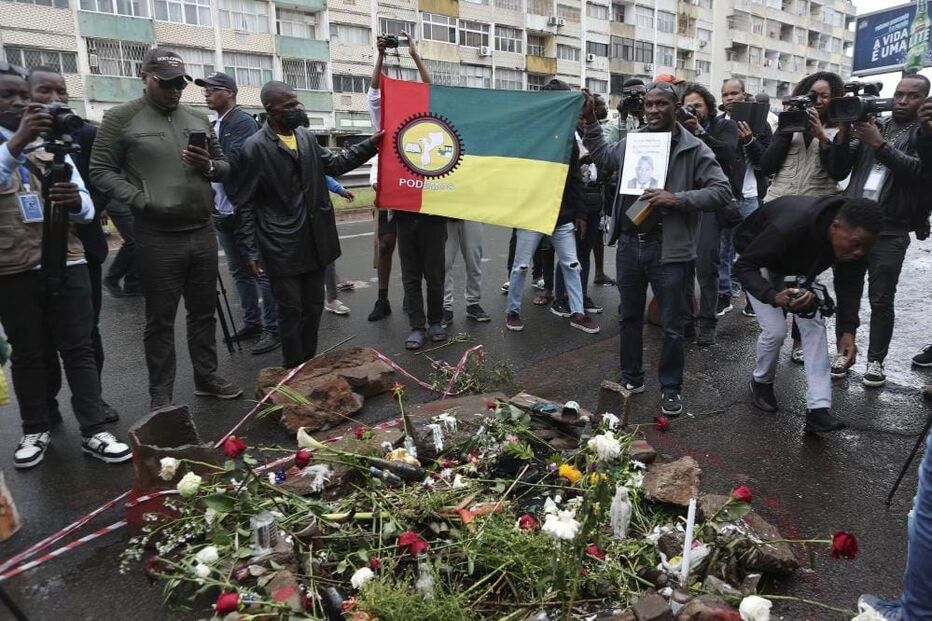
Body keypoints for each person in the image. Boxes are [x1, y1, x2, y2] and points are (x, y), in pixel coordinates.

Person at [90, 48, 242, 410]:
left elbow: (225, 167)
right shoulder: (120, 118)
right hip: (156, 235)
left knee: (203, 311)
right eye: (166, 83)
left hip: (202, 229)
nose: (175, 90)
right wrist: (139, 200)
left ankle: (207, 377)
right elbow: (99, 170)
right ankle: (161, 394)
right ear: (145, 77)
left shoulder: (196, 117)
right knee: (160, 320)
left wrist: (209, 166)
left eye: (180, 83)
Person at [0, 63, 132, 468]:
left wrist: (75, 203)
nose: (19, 103)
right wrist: (17, 143)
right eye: (8, 96)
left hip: (68, 260)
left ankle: (94, 430)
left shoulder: (54, 143)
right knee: (28, 353)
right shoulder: (18, 143)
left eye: (23, 95)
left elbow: (88, 208)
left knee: (80, 349)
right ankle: (35, 429)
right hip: (13, 269)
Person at [581, 81, 733, 415]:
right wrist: (591, 120)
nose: (653, 111)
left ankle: (671, 388)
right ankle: (632, 377)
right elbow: (604, 158)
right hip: (631, 244)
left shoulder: (694, 148)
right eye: (649, 105)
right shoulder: (634, 141)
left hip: (671, 248)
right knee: (629, 317)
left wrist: (677, 199)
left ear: (677, 107)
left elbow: (722, 192)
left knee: (674, 324)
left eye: (661, 104)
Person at [235, 81, 379, 368]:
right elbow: (245, 204)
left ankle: (309, 363)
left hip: (315, 240)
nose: (296, 108)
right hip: (280, 245)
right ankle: (293, 368)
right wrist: (250, 251)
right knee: (291, 310)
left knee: (313, 308)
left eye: (296, 102)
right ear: (270, 110)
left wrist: (372, 144)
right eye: (289, 105)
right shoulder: (254, 148)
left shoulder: (305, 137)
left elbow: (337, 164)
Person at [734, 195, 882, 433]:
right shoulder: (790, 226)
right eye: (856, 244)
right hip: (757, 262)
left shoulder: (852, 242)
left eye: (866, 247)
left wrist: (847, 331)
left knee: (814, 328)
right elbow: (744, 266)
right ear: (836, 227)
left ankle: (818, 408)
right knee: (776, 331)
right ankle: (761, 382)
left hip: (798, 271)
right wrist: (773, 295)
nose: (859, 252)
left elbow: (849, 287)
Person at [822, 74, 932, 388]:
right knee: (847, 291)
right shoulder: (875, 124)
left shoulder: (922, 134)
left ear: (923, 100)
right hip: (854, 223)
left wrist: (879, 145)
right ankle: (845, 350)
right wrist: (845, 127)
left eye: (912, 96)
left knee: (881, 299)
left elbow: (920, 173)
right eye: (899, 94)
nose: (902, 101)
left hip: (890, 229)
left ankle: (876, 360)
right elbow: (840, 167)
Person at [27, 66, 121, 422]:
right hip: (28, 255)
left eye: (61, 91)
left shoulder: (86, 134)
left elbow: (105, 179)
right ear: (27, 96)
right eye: (44, 92)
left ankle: (92, 402)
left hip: (81, 249)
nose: (55, 99)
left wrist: (85, 207)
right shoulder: (15, 140)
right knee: (38, 338)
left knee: (85, 332)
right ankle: (45, 409)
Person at [759, 71, 847, 364]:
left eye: (824, 96)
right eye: (813, 95)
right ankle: (774, 332)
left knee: (803, 278)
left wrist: (823, 137)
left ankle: (799, 340)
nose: (818, 101)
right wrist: (786, 129)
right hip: (779, 209)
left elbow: (839, 171)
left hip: (815, 215)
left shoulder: (839, 130)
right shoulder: (789, 125)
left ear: (834, 99)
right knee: (774, 273)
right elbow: (767, 164)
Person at [505, 79, 600, 336]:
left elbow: (574, 178)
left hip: (561, 214)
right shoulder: (528, 135)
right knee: (521, 266)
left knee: (572, 264)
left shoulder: (567, 139)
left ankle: (578, 313)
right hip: (531, 213)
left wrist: (580, 213)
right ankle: (512, 311)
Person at [197, 71, 280, 356]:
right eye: (204, 89)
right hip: (222, 210)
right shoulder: (215, 124)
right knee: (239, 272)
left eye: (212, 89)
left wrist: (204, 162)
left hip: (243, 210)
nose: (205, 93)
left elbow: (234, 164)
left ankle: (273, 328)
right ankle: (252, 322)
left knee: (260, 271)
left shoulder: (242, 123)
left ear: (230, 93)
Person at [367, 32, 431, 323]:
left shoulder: (420, 113)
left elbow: (431, 89)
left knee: (412, 244)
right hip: (387, 184)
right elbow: (373, 90)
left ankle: (410, 296)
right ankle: (382, 299)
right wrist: (380, 55)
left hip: (414, 185)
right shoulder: (381, 111)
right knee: (385, 244)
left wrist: (415, 55)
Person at [680, 83, 738, 346]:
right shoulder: (677, 130)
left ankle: (708, 322)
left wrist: (700, 132)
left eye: (698, 105)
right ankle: (685, 320)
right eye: (688, 106)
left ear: (709, 106)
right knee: (681, 267)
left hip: (709, 205)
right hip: (682, 204)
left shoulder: (724, 126)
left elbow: (726, 155)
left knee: (706, 266)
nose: (693, 110)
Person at [552, 94, 611, 318]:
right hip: (576, 201)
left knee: (584, 252)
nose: (586, 118)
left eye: (591, 113)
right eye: (584, 113)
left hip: (595, 199)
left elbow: (605, 162)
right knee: (570, 254)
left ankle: (580, 294)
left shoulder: (596, 136)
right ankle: (561, 298)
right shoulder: (566, 136)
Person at [719, 78, 773, 317]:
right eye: (725, 94)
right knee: (722, 251)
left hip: (750, 197)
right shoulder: (719, 125)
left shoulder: (761, 124)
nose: (730, 98)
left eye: (734, 93)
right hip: (723, 197)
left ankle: (754, 299)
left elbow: (766, 163)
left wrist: (749, 140)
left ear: (744, 95)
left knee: (750, 251)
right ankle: (724, 295)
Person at [442, 216, 490, 326]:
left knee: (473, 260)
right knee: (444, 263)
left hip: (471, 212)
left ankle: (473, 303)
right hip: (445, 214)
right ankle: (445, 306)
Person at [323, 174, 354, 316]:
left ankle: (331, 299)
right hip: (289, 215)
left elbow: (320, 172)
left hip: (318, 211)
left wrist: (339, 189)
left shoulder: (308, 152)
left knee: (327, 254)